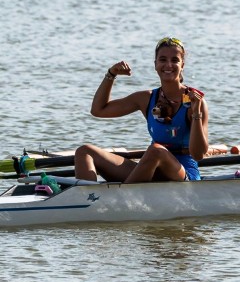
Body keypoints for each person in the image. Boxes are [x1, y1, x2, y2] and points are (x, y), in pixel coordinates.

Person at [74, 37, 209, 182]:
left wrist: (196, 112)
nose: (168, 65)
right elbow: (98, 110)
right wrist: (111, 74)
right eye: (163, 59)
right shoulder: (146, 98)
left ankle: (124, 194)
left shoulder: (195, 101)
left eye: (175, 60)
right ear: (155, 64)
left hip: (183, 173)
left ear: (182, 65)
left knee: (156, 150)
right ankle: (89, 195)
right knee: (84, 152)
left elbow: (198, 155)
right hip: (150, 168)